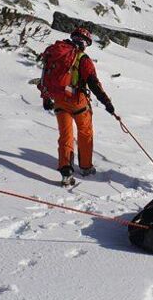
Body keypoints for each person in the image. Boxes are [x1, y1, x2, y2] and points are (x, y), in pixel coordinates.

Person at [38, 26, 116, 187]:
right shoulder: (82, 59)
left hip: (59, 101)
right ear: (85, 43)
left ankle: (66, 171)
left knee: (65, 135)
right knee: (85, 133)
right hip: (78, 102)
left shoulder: (55, 53)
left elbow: (45, 77)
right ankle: (86, 167)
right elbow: (93, 83)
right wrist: (107, 103)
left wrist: (46, 98)